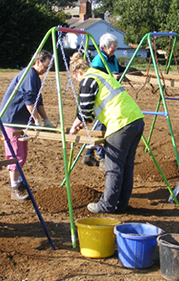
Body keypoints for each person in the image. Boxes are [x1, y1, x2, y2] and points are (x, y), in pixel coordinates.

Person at [69, 52, 144, 214]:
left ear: (77, 72)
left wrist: (75, 125)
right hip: (136, 119)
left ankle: (106, 205)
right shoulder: (100, 75)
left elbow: (85, 112)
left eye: (75, 79)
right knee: (126, 166)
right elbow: (90, 112)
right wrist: (81, 120)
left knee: (114, 167)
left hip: (120, 123)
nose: (77, 82)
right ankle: (120, 204)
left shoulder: (88, 80)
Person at [0, 50, 55, 201]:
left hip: (21, 121)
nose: (46, 70)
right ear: (37, 61)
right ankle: (14, 187)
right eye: (46, 66)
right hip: (12, 119)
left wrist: (46, 120)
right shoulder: (29, 74)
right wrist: (37, 121)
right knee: (16, 154)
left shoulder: (35, 77)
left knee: (22, 154)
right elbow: (29, 100)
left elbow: (39, 100)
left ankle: (19, 182)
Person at [83, 33, 126, 170]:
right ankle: (102, 158)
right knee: (103, 126)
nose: (115, 49)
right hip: (102, 96)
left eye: (116, 47)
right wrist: (111, 76)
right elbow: (96, 76)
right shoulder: (98, 60)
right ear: (105, 47)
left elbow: (119, 70)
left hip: (111, 96)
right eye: (113, 47)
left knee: (102, 125)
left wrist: (133, 71)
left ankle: (89, 154)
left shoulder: (112, 59)